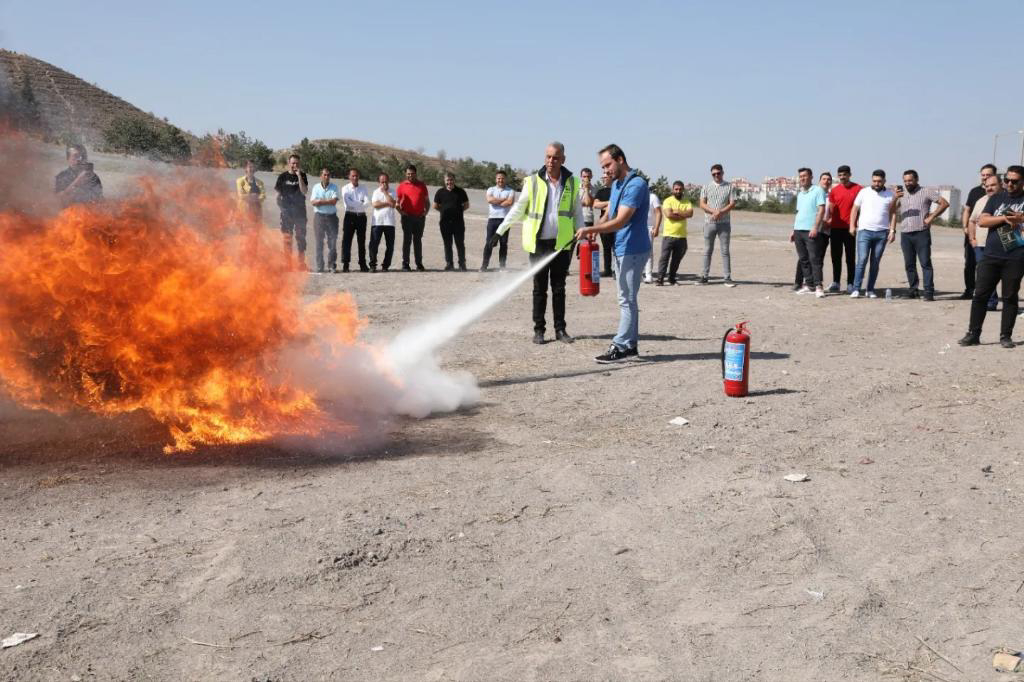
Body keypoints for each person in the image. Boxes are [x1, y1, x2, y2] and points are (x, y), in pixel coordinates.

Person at [493, 141, 585, 344]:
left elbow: (577, 213)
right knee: (539, 288)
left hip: (562, 245)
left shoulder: (571, 183)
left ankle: (560, 330)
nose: (551, 161)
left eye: (555, 157)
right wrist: (500, 230)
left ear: (563, 160)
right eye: (548, 157)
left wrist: (583, 236)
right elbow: (518, 209)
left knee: (559, 289)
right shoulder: (533, 181)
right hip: (539, 245)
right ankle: (539, 330)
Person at [577, 144, 651, 363]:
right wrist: (596, 230)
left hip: (633, 250)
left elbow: (621, 220)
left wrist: (590, 229)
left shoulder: (636, 185)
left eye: (608, 165)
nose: (605, 170)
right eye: (602, 167)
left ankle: (619, 346)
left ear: (620, 159)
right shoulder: (618, 184)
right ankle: (631, 346)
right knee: (628, 299)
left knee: (626, 299)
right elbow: (609, 213)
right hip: (622, 248)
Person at [959, 165, 1024, 348]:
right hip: (991, 254)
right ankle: (973, 334)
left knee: (1010, 296)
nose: (1010, 184)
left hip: (1016, 256)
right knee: (980, 295)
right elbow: (983, 220)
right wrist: (1005, 218)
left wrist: (1021, 218)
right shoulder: (996, 199)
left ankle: (1005, 336)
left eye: (1015, 181)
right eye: (1007, 180)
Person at [892, 170, 948, 301]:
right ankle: (913, 290)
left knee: (925, 263)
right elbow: (891, 210)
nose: (907, 183)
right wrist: (895, 197)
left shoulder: (926, 191)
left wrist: (932, 216)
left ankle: (928, 292)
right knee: (909, 264)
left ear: (917, 179)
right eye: (905, 181)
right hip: (905, 234)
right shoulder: (902, 194)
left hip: (921, 232)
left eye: (910, 180)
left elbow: (944, 203)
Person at [849, 170, 897, 298]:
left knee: (875, 262)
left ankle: (870, 289)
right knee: (862, 260)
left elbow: (893, 214)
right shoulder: (864, 192)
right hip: (864, 231)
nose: (876, 183)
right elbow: (854, 209)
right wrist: (852, 225)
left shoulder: (890, 195)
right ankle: (856, 289)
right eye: (874, 181)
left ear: (884, 181)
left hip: (882, 233)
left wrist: (892, 230)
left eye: (879, 181)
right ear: (872, 180)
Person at [960, 164, 999, 299]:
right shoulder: (976, 193)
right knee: (971, 265)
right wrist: (967, 231)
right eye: (983, 175)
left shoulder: (1003, 196)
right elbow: (968, 212)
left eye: (988, 175)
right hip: (976, 238)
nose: (985, 178)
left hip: (996, 241)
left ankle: (990, 298)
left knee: (990, 271)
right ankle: (970, 290)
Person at [967, 174, 1003, 311]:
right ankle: (991, 302)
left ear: (1001, 185)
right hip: (981, 245)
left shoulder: (1008, 201)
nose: (989, 188)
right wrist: (972, 239)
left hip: (1003, 245)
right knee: (985, 274)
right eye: (987, 186)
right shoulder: (981, 201)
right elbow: (972, 220)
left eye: (993, 185)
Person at [791, 168, 827, 297]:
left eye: (805, 176)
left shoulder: (818, 191)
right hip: (798, 230)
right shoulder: (801, 194)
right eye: (800, 176)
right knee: (803, 259)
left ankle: (819, 286)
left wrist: (815, 227)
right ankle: (810, 285)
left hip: (810, 230)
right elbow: (798, 212)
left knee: (814, 259)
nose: (802, 178)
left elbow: (821, 210)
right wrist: (793, 230)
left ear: (811, 177)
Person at [699, 163, 735, 285]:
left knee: (725, 251)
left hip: (724, 224)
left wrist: (721, 212)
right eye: (714, 174)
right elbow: (702, 204)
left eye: (718, 173)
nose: (716, 176)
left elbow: (732, 203)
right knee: (707, 250)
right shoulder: (706, 186)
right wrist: (714, 211)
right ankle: (704, 276)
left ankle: (727, 277)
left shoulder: (730, 186)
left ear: (722, 173)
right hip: (709, 223)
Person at [827, 165, 861, 293]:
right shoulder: (834, 190)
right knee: (836, 256)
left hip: (850, 229)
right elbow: (830, 208)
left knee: (850, 257)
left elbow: (862, 208)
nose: (842, 177)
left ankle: (851, 283)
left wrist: (857, 224)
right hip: (835, 228)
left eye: (844, 175)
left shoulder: (858, 189)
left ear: (850, 175)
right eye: (840, 175)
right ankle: (836, 282)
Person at [274, 154, 309, 269]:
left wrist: (299, 176)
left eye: (297, 163)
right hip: (286, 213)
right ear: (289, 163)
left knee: (301, 238)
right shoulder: (282, 177)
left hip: (300, 213)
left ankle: (301, 263)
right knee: (287, 238)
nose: (295, 165)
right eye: (293, 163)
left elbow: (304, 191)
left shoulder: (302, 175)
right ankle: (288, 263)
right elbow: (277, 196)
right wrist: (282, 208)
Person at [656, 181, 693, 285]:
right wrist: (683, 215)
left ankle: (672, 278)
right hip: (668, 235)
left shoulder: (687, 201)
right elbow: (669, 215)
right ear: (673, 190)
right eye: (676, 189)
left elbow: (690, 213)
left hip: (682, 236)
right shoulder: (668, 201)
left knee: (676, 259)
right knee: (664, 258)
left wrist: (678, 212)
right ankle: (660, 279)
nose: (678, 191)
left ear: (683, 190)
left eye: (680, 189)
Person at [433, 173, 470, 271]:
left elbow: (466, 205)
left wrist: (458, 210)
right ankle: (449, 263)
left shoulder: (461, 191)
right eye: (447, 180)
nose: (449, 182)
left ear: (454, 180)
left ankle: (462, 263)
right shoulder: (440, 192)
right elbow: (435, 206)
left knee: (460, 243)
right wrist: (444, 210)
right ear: (444, 181)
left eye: (451, 180)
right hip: (445, 223)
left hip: (458, 223)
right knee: (447, 244)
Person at [396, 164, 430, 271]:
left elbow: (427, 201)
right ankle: (405, 264)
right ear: (406, 174)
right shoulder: (401, 186)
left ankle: (419, 264)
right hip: (407, 217)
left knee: (417, 240)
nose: (410, 175)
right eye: (408, 174)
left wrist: (425, 213)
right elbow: (397, 203)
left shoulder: (422, 185)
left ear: (416, 174)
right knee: (407, 240)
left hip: (420, 218)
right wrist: (401, 212)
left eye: (412, 173)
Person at [481, 170, 514, 271]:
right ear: (496, 179)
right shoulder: (490, 189)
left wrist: (497, 201)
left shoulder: (510, 191)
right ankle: (484, 266)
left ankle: (502, 267)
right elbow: (489, 200)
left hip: (505, 221)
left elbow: (508, 203)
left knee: (503, 244)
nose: (500, 180)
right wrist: (503, 199)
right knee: (489, 243)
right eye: (499, 178)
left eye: (502, 178)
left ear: (506, 179)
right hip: (492, 220)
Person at [309, 168, 340, 273]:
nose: (326, 177)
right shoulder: (316, 187)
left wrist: (320, 201)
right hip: (319, 217)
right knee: (319, 242)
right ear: (321, 176)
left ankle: (332, 265)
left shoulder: (334, 187)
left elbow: (334, 202)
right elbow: (313, 202)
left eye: (328, 175)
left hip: (332, 217)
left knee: (332, 242)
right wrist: (327, 201)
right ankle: (320, 266)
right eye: (324, 175)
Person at [55, 144, 103, 208]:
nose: (79, 159)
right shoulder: (62, 176)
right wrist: (78, 180)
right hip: (68, 213)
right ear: (68, 158)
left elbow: (99, 198)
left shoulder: (93, 177)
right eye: (75, 156)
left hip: (88, 213)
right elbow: (58, 199)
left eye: (83, 156)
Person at [341, 169, 370, 272]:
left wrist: (357, 203)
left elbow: (367, 203)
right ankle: (345, 264)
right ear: (349, 176)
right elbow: (348, 204)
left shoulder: (363, 188)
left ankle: (362, 264)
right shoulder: (345, 188)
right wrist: (360, 203)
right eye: (353, 176)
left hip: (361, 217)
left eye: (356, 176)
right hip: (350, 216)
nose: (355, 177)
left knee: (361, 241)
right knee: (347, 241)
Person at [370, 172, 397, 272]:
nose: (384, 184)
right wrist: (387, 203)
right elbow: (375, 205)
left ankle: (385, 266)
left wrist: (386, 193)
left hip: (389, 222)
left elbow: (393, 204)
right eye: (382, 182)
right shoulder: (375, 192)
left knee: (390, 246)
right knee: (374, 244)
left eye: (386, 182)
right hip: (377, 222)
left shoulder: (393, 191)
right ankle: (373, 265)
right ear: (379, 182)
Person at [592, 169, 615, 277]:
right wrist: (609, 203)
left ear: (611, 177)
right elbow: (596, 205)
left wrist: (606, 206)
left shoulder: (617, 190)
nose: (603, 178)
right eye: (603, 177)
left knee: (617, 247)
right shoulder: (601, 192)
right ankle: (607, 269)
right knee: (606, 248)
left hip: (617, 222)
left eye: (605, 176)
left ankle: (617, 269)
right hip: (604, 223)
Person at [643, 189, 662, 284]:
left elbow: (658, 212)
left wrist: (657, 227)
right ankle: (638, 274)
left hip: (649, 227)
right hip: (637, 227)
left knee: (648, 252)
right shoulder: (636, 196)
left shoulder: (653, 197)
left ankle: (648, 275)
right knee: (636, 251)